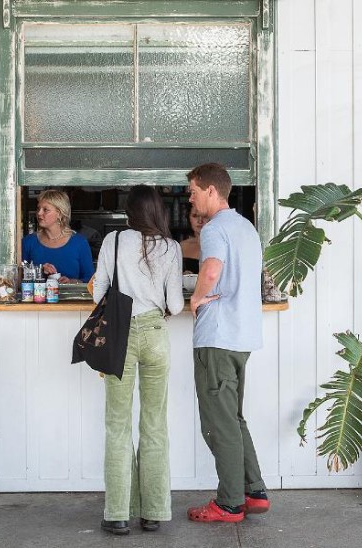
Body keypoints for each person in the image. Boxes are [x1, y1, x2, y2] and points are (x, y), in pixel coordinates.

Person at [90, 185, 185, 535]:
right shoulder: (171, 248)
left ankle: (117, 514)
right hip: (155, 335)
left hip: (118, 334)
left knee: (117, 425)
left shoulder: (113, 241)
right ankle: (153, 512)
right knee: (154, 424)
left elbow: (100, 291)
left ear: (128, 211)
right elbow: (175, 305)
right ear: (158, 211)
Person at [184, 163, 269, 523]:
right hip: (242, 336)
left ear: (211, 191)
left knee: (219, 423)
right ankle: (254, 491)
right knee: (233, 418)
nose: (190, 197)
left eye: (192, 191)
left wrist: (197, 298)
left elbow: (213, 269)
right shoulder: (246, 227)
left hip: (218, 337)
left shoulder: (215, 228)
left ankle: (230, 503)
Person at [21, 189, 94, 283]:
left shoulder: (79, 243)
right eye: (38, 208)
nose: (39, 213)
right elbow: (19, 278)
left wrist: (72, 282)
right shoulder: (28, 242)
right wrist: (39, 272)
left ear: (60, 213)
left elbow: (90, 280)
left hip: (71, 297)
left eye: (45, 210)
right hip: (39, 297)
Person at [178, 206, 207, 274]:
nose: (200, 221)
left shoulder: (221, 246)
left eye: (205, 216)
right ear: (189, 218)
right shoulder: (181, 246)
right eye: (195, 216)